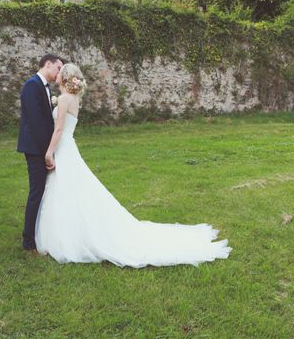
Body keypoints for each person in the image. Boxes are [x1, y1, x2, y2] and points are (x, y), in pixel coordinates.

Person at [35, 63, 232, 267]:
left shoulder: (66, 99)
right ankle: (73, 232)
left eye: (60, 72)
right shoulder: (73, 98)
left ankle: (68, 238)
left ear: (65, 78)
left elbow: (58, 131)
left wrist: (49, 153)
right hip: (69, 148)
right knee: (73, 191)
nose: (56, 74)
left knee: (67, 190)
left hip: (63, 148)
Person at [17, 54, 64, 252]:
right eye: (58, 67)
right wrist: (48, 151)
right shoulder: (32, 85)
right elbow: (36, 123)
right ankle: (28, 242)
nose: (60, 72)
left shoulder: (45, 87)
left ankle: (39, 232)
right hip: (35, 148)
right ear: (48, 64)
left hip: (42, 148)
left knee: (42, 191)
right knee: (36, 192)